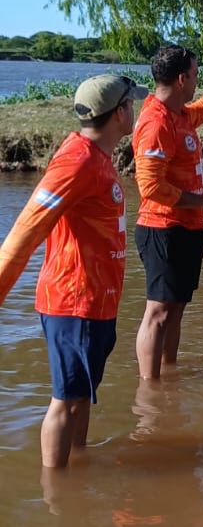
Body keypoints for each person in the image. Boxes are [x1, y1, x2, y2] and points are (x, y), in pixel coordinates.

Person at [0, 74, 148, 467]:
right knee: (64, 402)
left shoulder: (94, 156)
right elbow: (27, 229)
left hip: (96, 303)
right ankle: (57, 492)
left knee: (81, 396)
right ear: (120, 114)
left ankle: (77, 471)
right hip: (73, 303)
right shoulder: (77, 161)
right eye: (131, 104)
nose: (135, 109)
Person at [133, 45, 203, 380]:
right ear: (182, 78)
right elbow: (151, 188)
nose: (198, 81)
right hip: (162, 229)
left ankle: (168, 377)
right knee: (158, 312)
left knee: (176, 311)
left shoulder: (179, 114)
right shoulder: (156, 123)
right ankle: (150, 391)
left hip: (185, 229)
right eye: (196, 75)